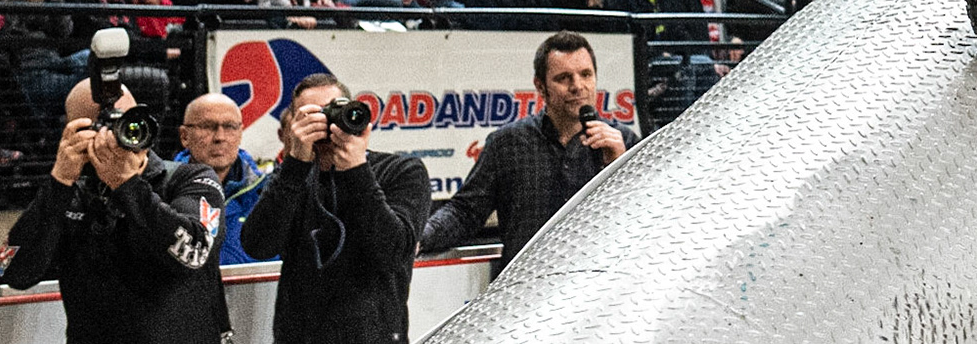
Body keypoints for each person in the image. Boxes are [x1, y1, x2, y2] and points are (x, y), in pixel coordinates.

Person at [4, 79, 229, 343]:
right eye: (101, 127)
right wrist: (59, 180)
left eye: (127, 121)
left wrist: (127, 185)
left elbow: (194, 253)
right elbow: (16, 273)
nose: (117, 135)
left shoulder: (191, 179)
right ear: (73, 131)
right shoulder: (66, 194)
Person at [241, 72, 432, 344]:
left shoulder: (401, 171)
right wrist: (296, 163)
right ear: (293, 125)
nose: (328, 123)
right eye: (313, 116)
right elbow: (258, 245)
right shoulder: (291, 180)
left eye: (334, 110)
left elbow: (392, 254)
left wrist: (356, 169)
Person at [419, 31, 637, 266]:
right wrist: (420, 238)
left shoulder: (622, 142)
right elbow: (465, 211)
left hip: (597, 285)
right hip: (526, 289)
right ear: (540, 86)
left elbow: (645, 222)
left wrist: (619, 165)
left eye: (586, 74)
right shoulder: (508, 143)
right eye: (564, 78)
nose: (577, 86)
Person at [175, 92, 267, 264]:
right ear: (184, 136)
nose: (220, 137)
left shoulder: (266, 194)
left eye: (230, 126)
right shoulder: (162, 193)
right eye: (207, 126)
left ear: (240, 132)